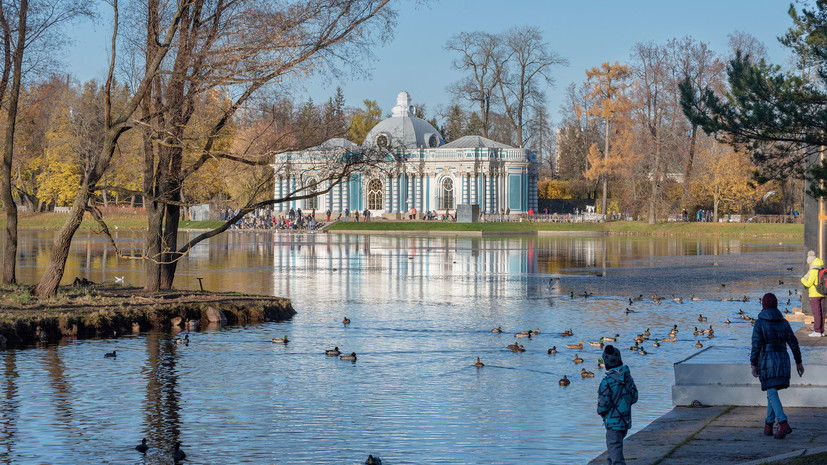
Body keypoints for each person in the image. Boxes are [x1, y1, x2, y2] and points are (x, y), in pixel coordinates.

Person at [750, 292, 804, 439]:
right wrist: (798, 362)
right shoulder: (784, 322)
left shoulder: (759, 323)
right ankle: (768, 424)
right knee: (771, 390)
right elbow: (794, 343)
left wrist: (753, 364)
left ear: (763, 305)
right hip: (783, 359)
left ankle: (783, 422)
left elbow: (756, 346)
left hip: (767, 359)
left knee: (771, 389)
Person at [597, 344, 638, 465]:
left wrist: (600, 411)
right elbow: (634, 397)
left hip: (612, 422)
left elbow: (603, 404)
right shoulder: (628, 377)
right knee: (613, 451)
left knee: (615, 454)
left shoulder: (606, 382)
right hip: (625, 421)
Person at [800, 251, 825, 337]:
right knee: (821, 312)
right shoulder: (822, 268)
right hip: (823, 293)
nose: (809, 265)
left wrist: (802, 279)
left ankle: (817, 331)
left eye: (809, 264)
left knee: (816, 313)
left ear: (811, 263)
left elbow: (808, 283)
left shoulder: (813, 271)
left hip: (814, 294)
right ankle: (821, 331)